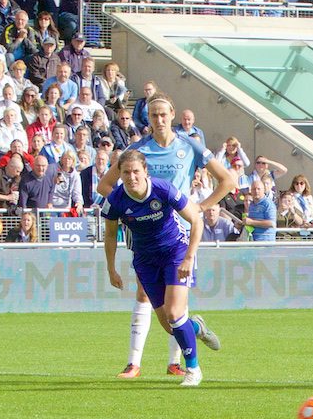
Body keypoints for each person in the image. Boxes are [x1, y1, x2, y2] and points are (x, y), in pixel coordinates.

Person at [94, 91, 233, 379]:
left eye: (163, 114)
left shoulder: (190, 146)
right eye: (153, 115)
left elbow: (228, 180)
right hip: (143, 227)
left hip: (180, 230)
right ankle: (138, 361)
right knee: (148, 296)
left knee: (175, 304)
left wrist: (200, 207)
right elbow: (105, 186)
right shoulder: (139, 148)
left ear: (172, 115)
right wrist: (132, 202)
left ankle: (176, 362)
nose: (159, 119)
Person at [100, 150, 219, 387]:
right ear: (120, 174)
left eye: (136, 171)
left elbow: (196, 219)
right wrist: (111, 269)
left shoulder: (163, 189)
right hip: (144, 260)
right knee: (169, 325)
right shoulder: (115, 200)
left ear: (145, 171)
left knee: (175, 314)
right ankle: (196, 327)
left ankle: (193, 369)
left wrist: (188, 257)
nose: (132, 177)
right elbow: (111, 236)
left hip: (175, 252)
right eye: (126, 172)